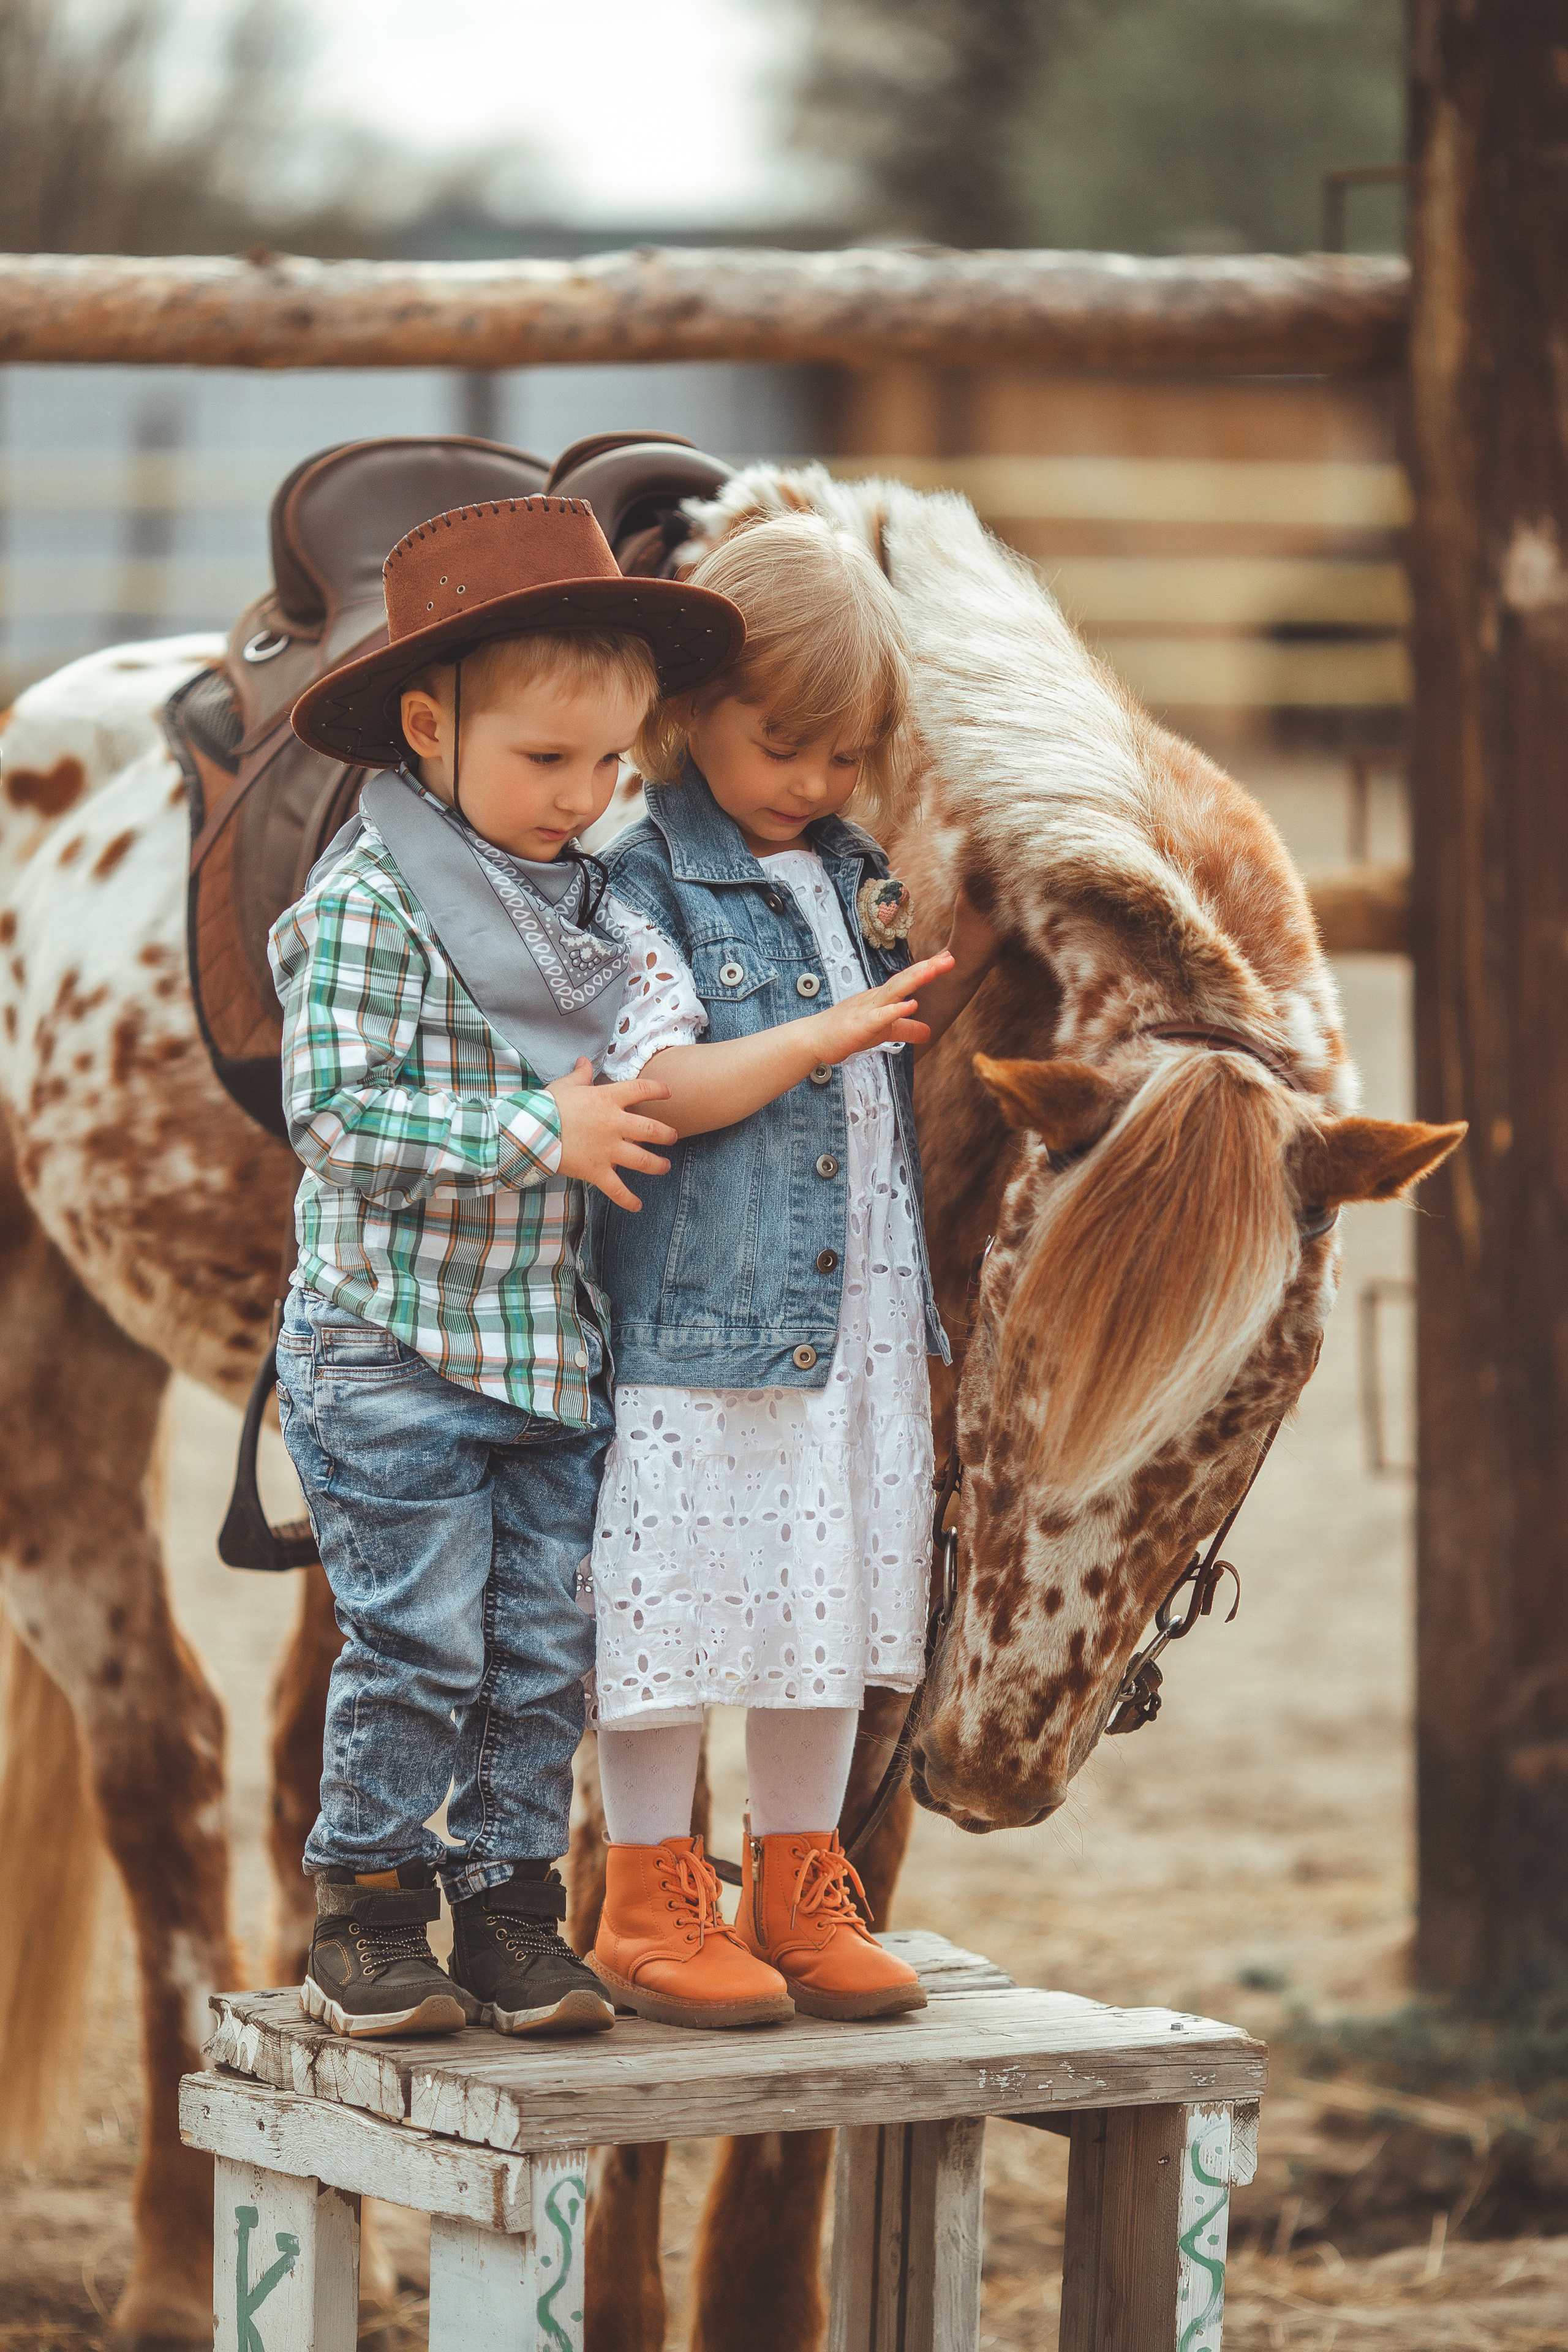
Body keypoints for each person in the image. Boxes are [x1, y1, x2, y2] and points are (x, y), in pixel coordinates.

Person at [269, 494, 743, 2040]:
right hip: (391, 1351)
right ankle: (367, 1911)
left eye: (611, 765)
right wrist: (539, 1129)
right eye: (546, 762)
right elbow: (333, 1115)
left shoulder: (592, 902)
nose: (585, 796)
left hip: (546, 1350)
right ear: (428, 725)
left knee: (546, 1649)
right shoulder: (365, 903)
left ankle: (513, 1915)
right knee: (415, 1640)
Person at [585, 513, 1000, 2028]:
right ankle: (646, 1895)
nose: (818, 782)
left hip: (855, 1310)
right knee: (678, 1599)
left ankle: (797, 1880)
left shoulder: (851, 870)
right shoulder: (640, 882)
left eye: (849, 753)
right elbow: (660, 1091)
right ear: (687, 715)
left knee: (821, 1590)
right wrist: (826, 1036)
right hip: (708, 1314)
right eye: (785, 745)